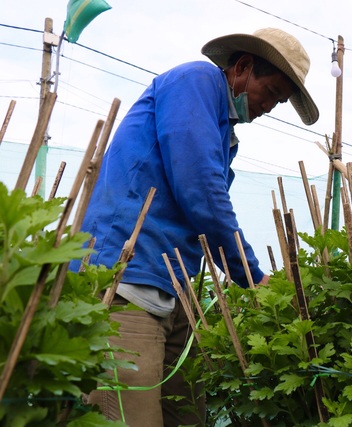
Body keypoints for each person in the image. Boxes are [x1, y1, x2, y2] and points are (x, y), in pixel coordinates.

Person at [76, 28, 319, 426]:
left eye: (280, 100)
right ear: (242, 68)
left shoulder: (225, 131)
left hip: (171, 291)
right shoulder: (196, 82)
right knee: (128, 415)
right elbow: (201, 191)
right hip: (126, 277)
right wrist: (253, 277)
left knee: (187, 414)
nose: (272, 106)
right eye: (272, 92)